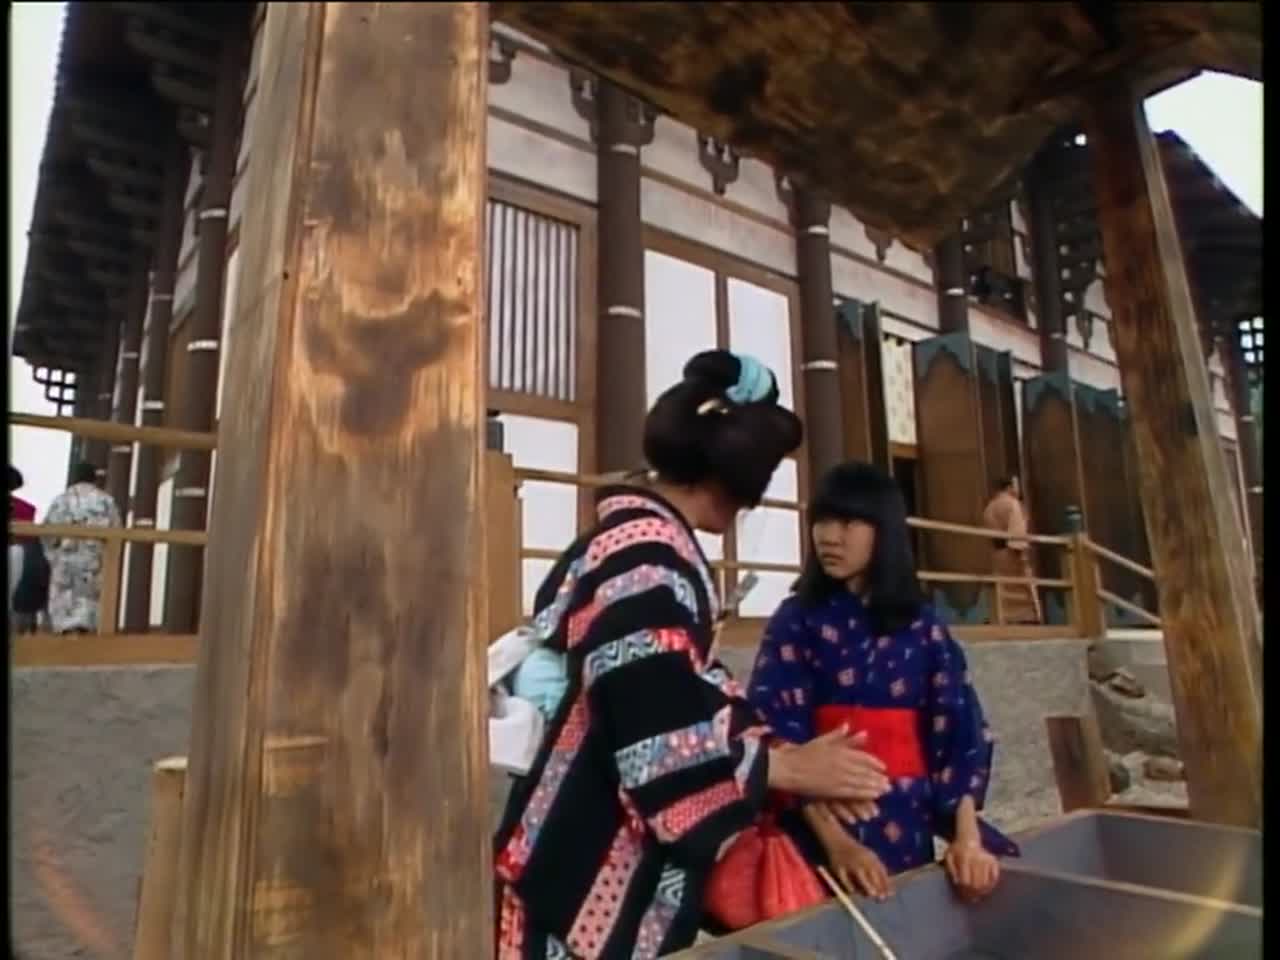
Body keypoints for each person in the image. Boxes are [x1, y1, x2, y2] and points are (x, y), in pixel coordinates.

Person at [493, 352, 892, 960]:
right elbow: (652, 731)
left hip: (575, 851)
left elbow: (692, 687)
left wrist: (790, 760)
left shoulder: (638, 547)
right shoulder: (646, 564)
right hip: (579, 872)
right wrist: (781, 771)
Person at [747, 461, 1018, 904]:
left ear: (884, 531)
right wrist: (838, 845)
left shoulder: (924, 627)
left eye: (848, 523)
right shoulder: (794, 620)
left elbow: (960, 734)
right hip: (817, 830)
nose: (829, 537)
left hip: (905, 818)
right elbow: (775, 734)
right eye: (822, 521)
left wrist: (967, 840)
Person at [42, 462, 122, 634]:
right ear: (94, 478)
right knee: (90, 603)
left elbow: (47, 535)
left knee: (65, 605)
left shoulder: (60, 501)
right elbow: (117, 533)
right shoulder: (106, 501)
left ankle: (67, 635)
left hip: (65, 560)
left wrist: (53, 556)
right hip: (94, 561)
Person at [982, 475, 1041, 625]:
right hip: (1012, 552)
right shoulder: (1012, 504)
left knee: (1002, 588)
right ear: (1009, 487)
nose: (1017, 489)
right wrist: (1022, 552)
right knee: (1022, 589)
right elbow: (1017, 532)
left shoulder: (990, 506)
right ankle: (1026, 618)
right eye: (1016, 486)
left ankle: (1003, 618)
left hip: (997, 552)